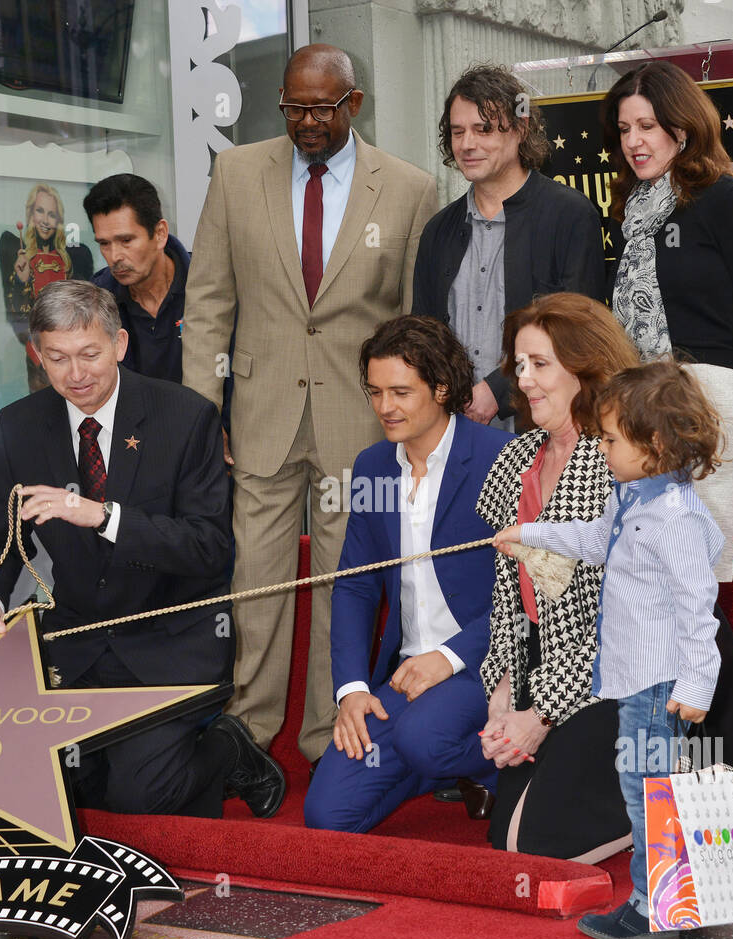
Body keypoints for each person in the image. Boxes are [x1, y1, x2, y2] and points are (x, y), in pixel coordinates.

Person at [183, 44, 438, 765]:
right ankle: (247, 733)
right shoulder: (235, 174)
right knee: (254, 580)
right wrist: (207, 412)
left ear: (354, 104)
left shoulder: (411, 189)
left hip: (359, 422)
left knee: (343, 584)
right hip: (258, 418)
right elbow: (207, 303)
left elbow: (414, 323)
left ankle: (332, 736)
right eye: (294, 108)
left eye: (323, 108)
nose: (307, 122)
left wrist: (408, 422)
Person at [0, 281, 285, 819]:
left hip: (171, 641)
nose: (76, 374)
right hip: (77, 646)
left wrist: (103, 516)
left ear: (120, 344)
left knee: (139, 797)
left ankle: (229, 749)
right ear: (37, 355)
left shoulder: (186, 417)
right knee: (59, 789)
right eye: (58, 358)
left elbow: (210, 550)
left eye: (90, 353)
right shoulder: (19, 426)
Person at [602, 60, 733, 811]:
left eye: (648, 126)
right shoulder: (633, 208)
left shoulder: (723, 203)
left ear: (683, 126)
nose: (635, 141)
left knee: (692, 592)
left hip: (711, 404)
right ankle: (700, 772)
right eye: (623, 130)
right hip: (645, 410)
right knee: (665, 594)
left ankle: (730, 772)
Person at [495, 360, 723, 939]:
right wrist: (534, 534)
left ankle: (652, 903)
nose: (601, 447)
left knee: (646, 791)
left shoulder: (672, 517)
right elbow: (596, 540)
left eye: (611, 439)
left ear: (656, 443)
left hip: (656, 683)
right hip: (635, 678)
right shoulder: (636, 499)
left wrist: (698, 682)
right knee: (653, 786)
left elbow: (700, 607)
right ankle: (685, 897)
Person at [304, 316, 513, 833]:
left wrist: (447, 657)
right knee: (328, 815)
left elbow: (529, 597)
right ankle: (441, 767)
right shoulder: (374, 466)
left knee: (425, 738)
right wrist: (351, 689)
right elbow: (355, 584)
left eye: (401, 391)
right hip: (404, 676)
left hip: (485, 665)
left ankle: (486, 760)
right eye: (375, 392)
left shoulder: (501, 459)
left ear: (441, 388)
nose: (384, 407)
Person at [474, 293, 637, 859]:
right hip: (544, 664)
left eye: (540, 364)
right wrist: (502, 694)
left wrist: (539, 712)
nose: (525, 381)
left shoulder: (619, 460)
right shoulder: (515, 460)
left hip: (622, 672)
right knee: (508, 841)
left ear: (584, 366)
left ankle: (673, 786)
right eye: (519, 366)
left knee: (537, 846)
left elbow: (611, 622)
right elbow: (507, 604)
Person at [413, 64, 606, 429]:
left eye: (483, 129)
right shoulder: (438, 230)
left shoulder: (570, 215)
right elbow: (423, 332)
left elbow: (577, 328)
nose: (467, 144)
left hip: (544, 430)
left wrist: (497, 389)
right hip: (455, 431)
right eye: (458, 132)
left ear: (520, 129)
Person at [84, 174, 189, 385]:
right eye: (104, 243)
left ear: (160, 233)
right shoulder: (94, 300)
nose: (114, 257)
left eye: (126, 240)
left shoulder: (209, 285)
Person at [0, 183, 94, 392]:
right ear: (30, 214)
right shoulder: (17, 253)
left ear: (59, 220)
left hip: (74, 356)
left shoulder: (75, 258)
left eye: (52, 214)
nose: (45, 220)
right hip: (36, 355)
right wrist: (21, 280)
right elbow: (15, 317)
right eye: (39, 211)